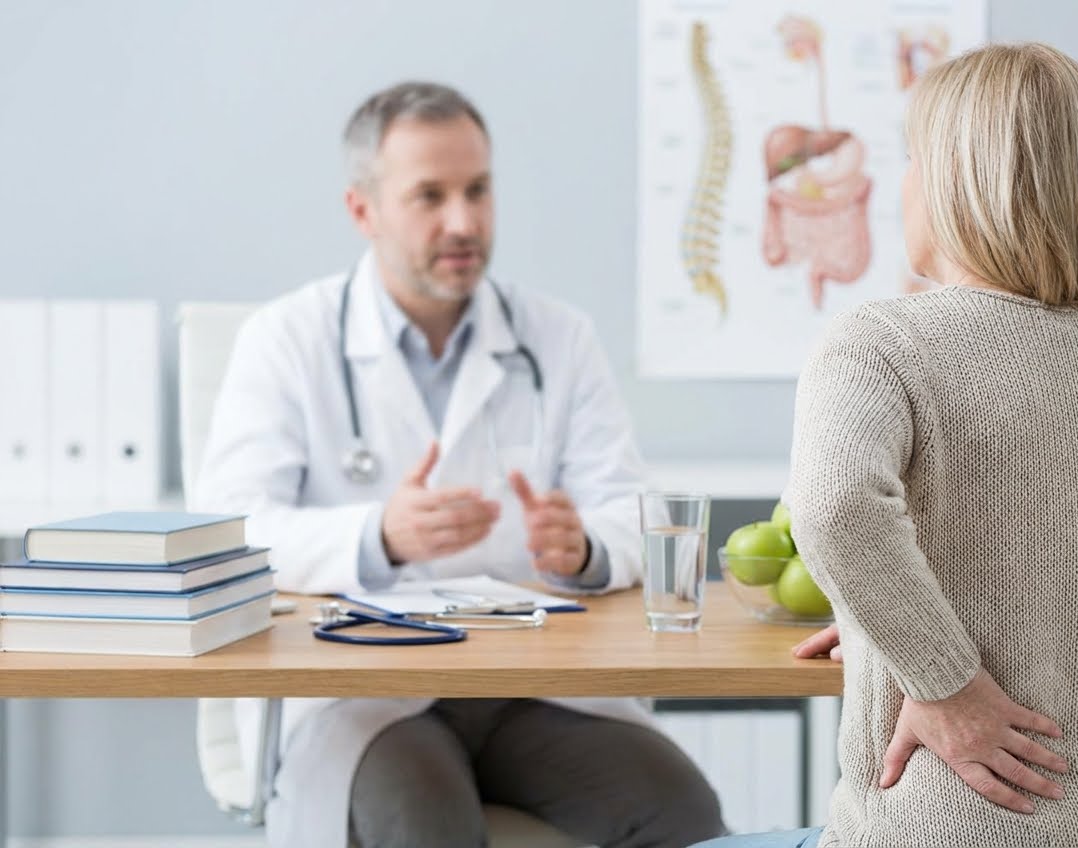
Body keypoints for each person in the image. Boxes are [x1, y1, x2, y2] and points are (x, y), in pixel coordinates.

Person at [693, 42, 1078, 848]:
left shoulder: (881, 342)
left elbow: (833, 508)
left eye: (911, 159)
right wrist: (885, 625)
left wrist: (949, 684)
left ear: (955, 183)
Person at [194, 81, 724, 848]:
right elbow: (230, 535)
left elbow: (632, 511)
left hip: (533, 685)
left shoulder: (557, 339)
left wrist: (584, 549)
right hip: (363, 691)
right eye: (430, 196)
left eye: (478, 190)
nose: (464, 222)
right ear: (362, 210)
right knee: (424, 825)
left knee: (680, 810)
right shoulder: (286, 340)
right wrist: (379, 536)